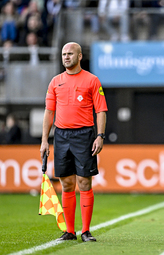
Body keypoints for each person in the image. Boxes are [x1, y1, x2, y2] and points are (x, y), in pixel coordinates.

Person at [40, 42, 108, 242]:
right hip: (61, 136)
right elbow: (49, 112)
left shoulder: (92, 80)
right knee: (66, 183)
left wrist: (100, 135)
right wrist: (45, 140)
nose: (66, 57)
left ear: (79, 56)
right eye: (63, 54)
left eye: (70, 53)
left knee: (84, 181)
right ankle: (70, 231)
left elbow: (101, 110)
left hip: (84, 135)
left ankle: (85, 231)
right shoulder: (55, 82)